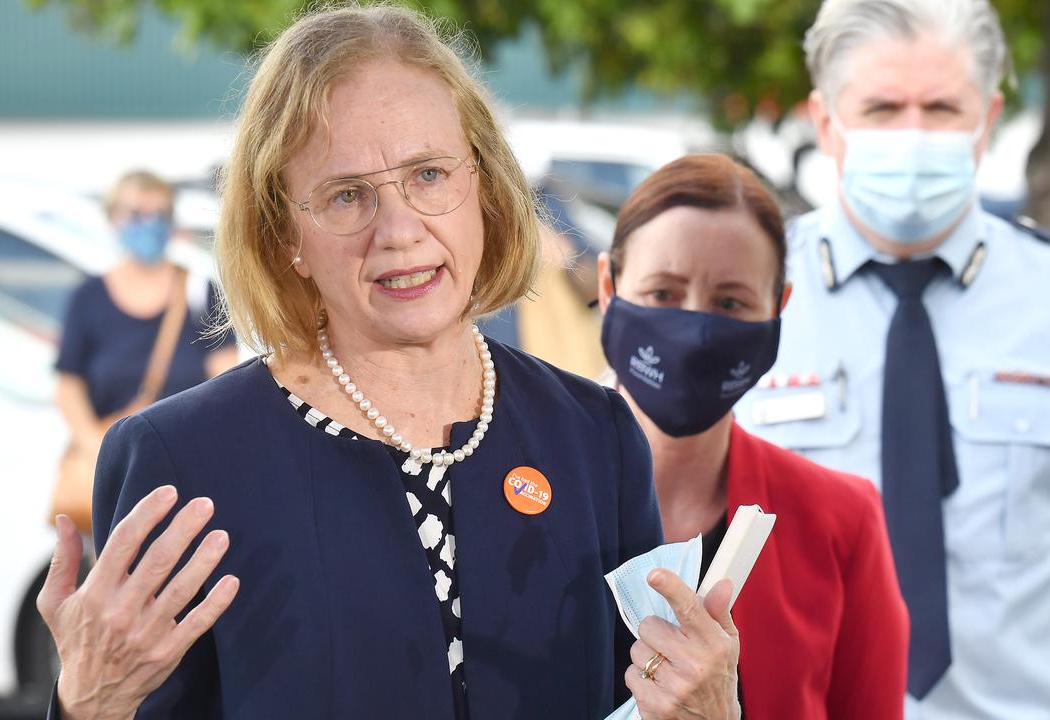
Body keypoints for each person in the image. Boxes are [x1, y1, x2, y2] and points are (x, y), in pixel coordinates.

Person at [36, 6, 741, 719]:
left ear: (486, 192)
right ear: (287, 237)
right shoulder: (183, 462)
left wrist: (708, 709)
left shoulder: (595, 437)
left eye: (429, 175)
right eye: (347, 195)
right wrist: (87, 706)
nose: (400, 231)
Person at [734, 0, 1050, 717]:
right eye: (882, 108)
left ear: (987, 120)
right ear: (825, 123)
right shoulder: (734, 295)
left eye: (942, 107)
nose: (913, 134)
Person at [597, 153, 909, 719]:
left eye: (730, 302)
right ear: (608, 285)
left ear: (778, 309)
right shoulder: (513, 490)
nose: (694, 331)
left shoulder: (839, 522)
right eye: (664, 293)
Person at [53, 170, 238, 530]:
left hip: (188, 474)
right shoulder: (88, 298)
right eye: (137, 214)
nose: (149, 224)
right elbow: (67, 386)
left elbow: (225, 381)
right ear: (112, 219)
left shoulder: (200, 291)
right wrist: (97, 449)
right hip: (113, 476)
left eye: (160, 214)